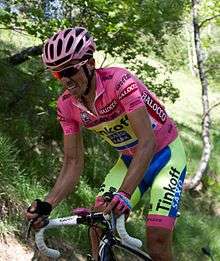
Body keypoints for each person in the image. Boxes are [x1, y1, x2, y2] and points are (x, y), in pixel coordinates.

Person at [26, 27, 187, 261]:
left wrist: (124, 194)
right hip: (130, 159)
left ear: (90, 63)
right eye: (58, 75)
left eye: (70, 70)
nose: (66, 80)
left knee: (157, 240)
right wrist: (48, 204)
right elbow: (72, 162)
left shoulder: (119, 82)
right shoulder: (66, 106)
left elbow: (147, 141)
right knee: (97, 223)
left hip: (165, 155)